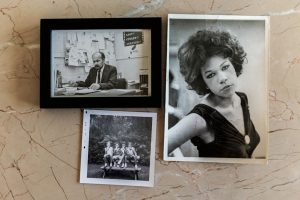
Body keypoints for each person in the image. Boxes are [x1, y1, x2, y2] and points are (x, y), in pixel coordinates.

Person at [168, 30, 260, 158]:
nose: (222, 78)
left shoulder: (242, 98)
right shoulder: (199, 119)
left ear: (234, 64)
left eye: (225, 67)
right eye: (210, 75)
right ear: (203, 82)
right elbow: (159, 145)